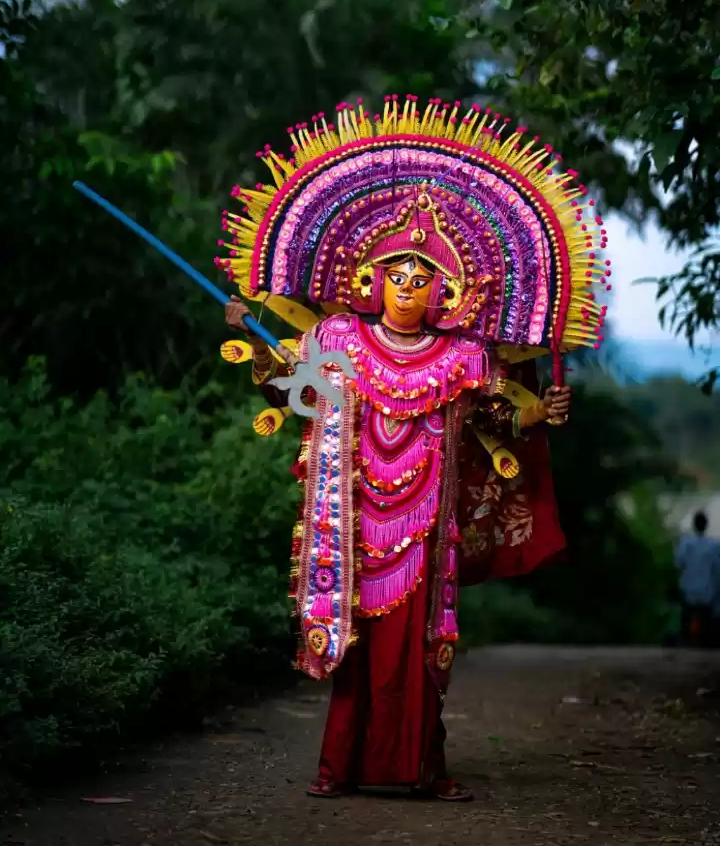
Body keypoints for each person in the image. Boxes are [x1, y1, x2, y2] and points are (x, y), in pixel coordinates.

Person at [215, 96, 609, 801]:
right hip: (354, 517)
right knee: (354, 649)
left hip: (426, 520)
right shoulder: (336, 339)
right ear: (371, 279)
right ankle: (337, 770)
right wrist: (257, 343)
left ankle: (422, 768)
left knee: (420, 653)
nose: (405, 290)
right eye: (395, 277)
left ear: (444, 288)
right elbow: (285, 386)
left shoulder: (461, 355)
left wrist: (538, 411)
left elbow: (498, 415)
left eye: (420, 280)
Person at [675, 511, 720, 648]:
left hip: (688, 591)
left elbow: (678, 563)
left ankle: (686, 639)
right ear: (706, 525)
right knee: (710, 623)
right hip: (707, 594)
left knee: (686, 616)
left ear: (693, 525)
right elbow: (717, 570)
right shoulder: (713, 545)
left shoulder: (685, 543)